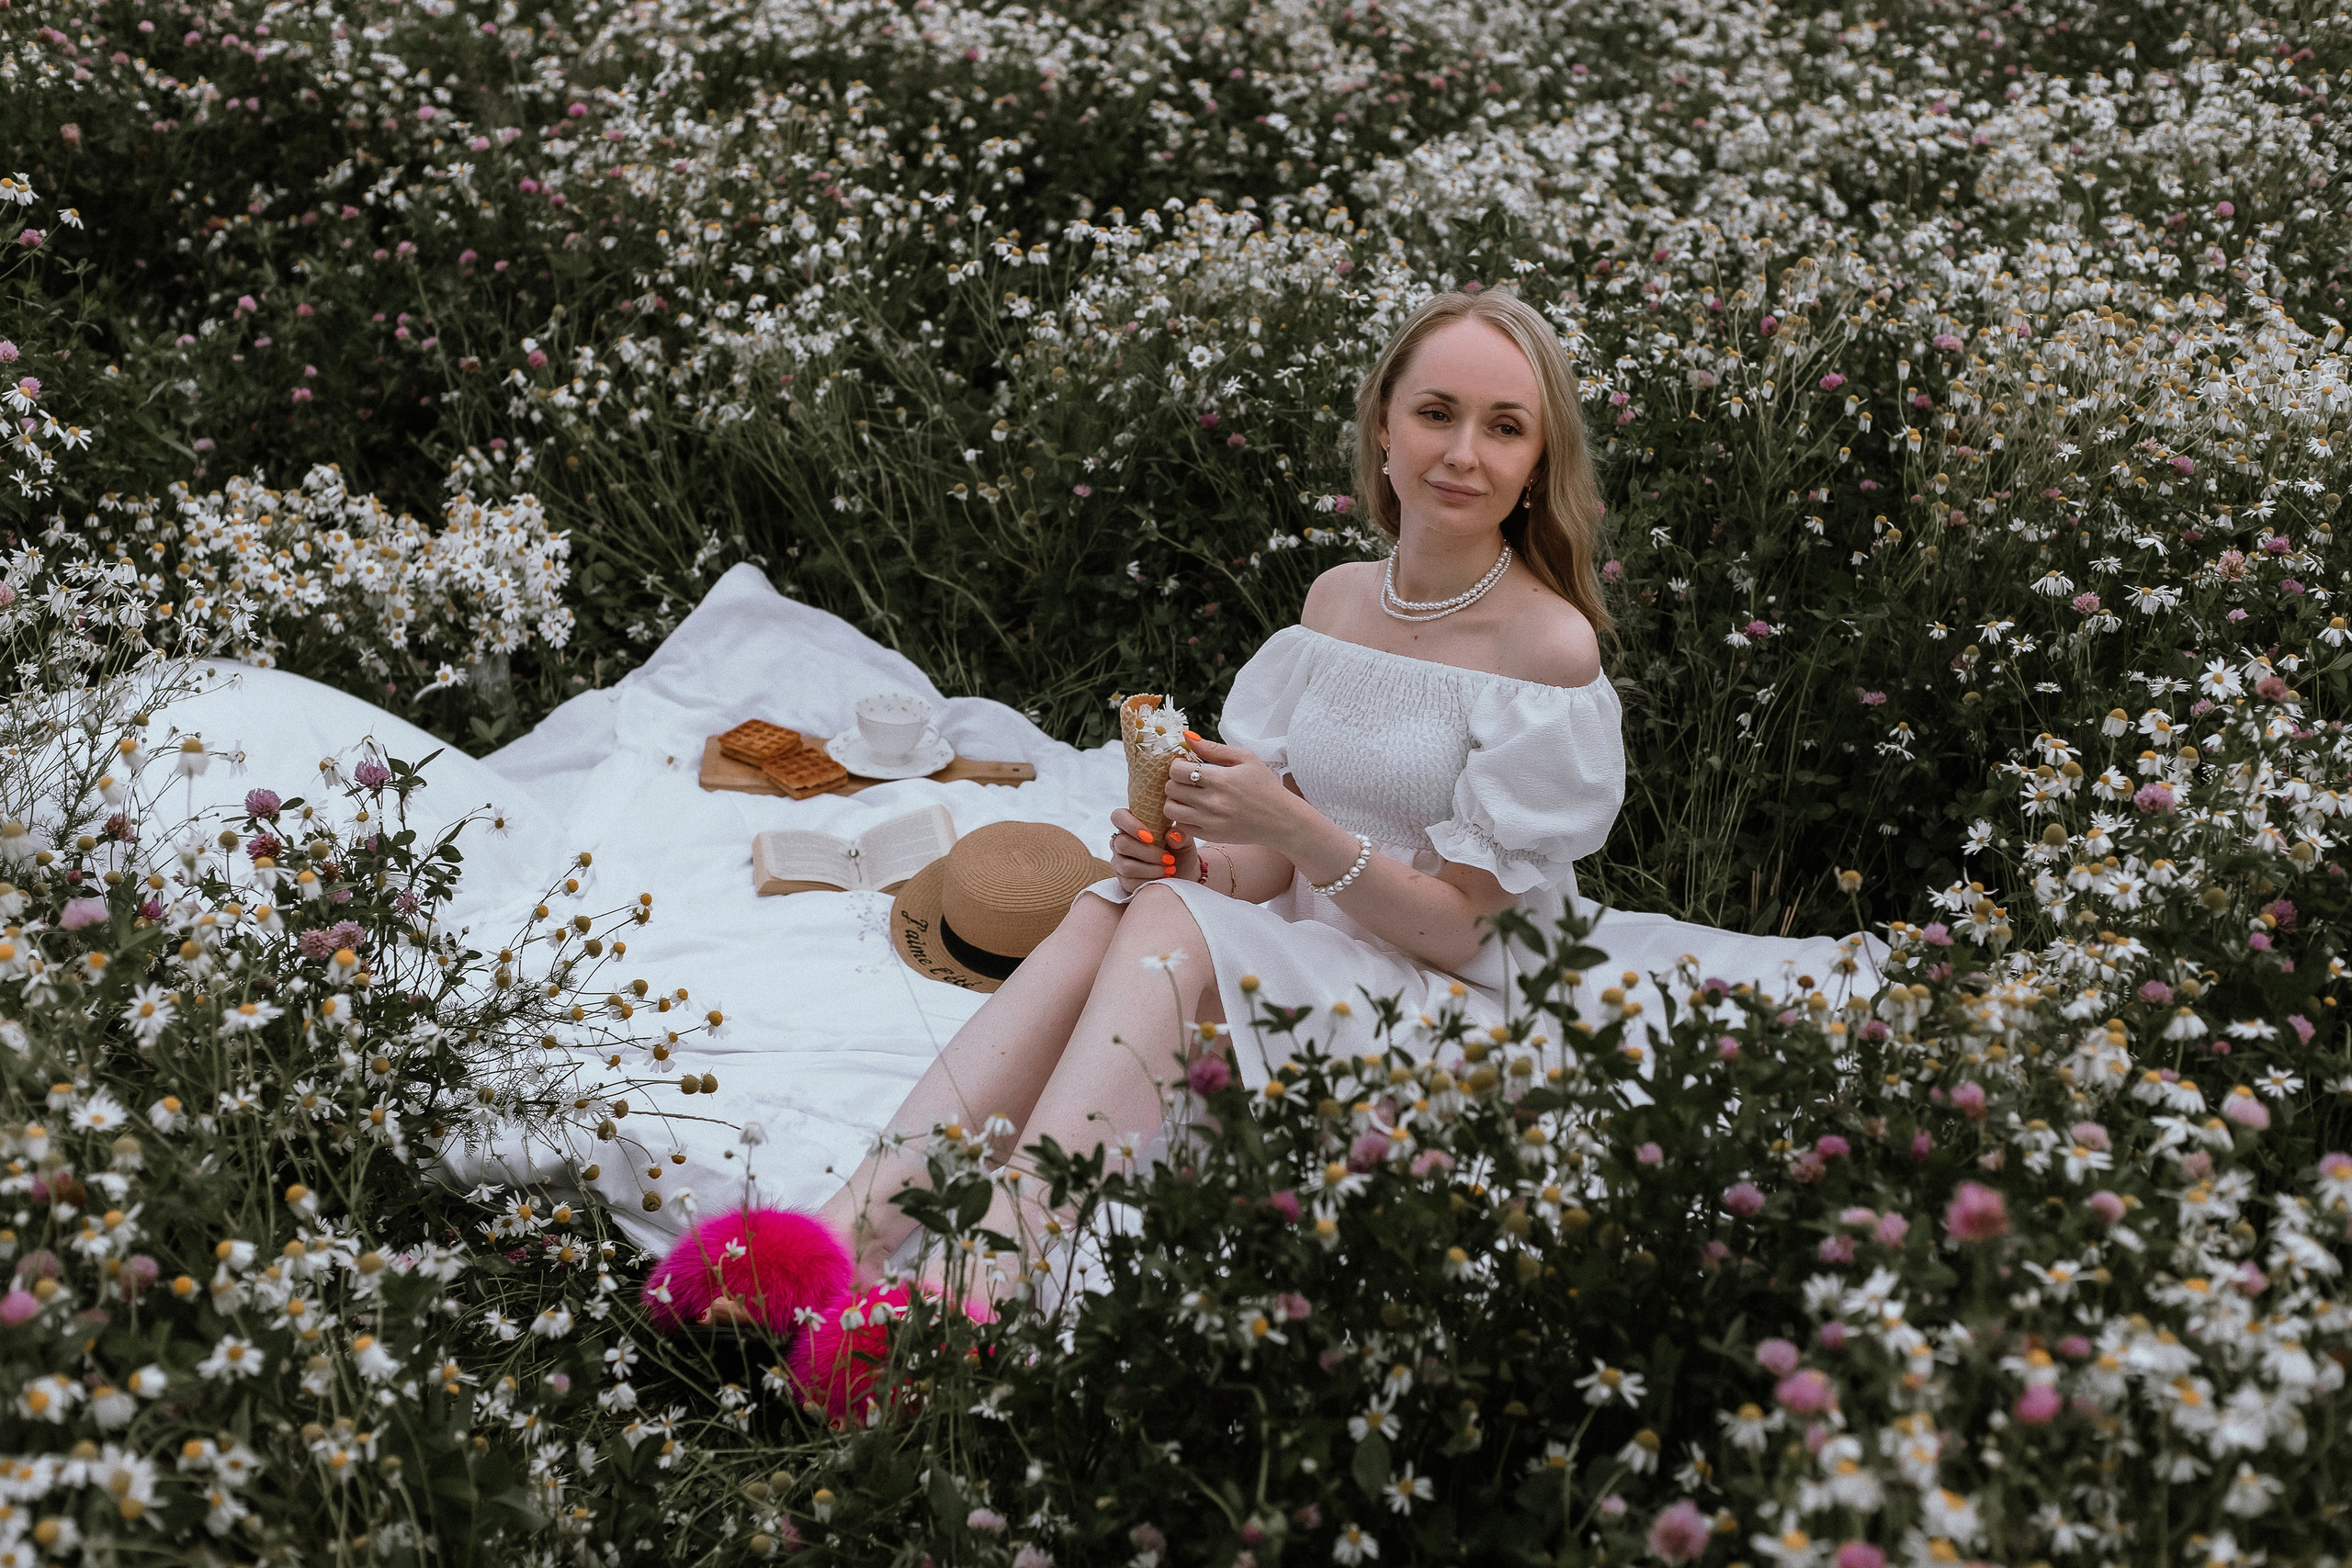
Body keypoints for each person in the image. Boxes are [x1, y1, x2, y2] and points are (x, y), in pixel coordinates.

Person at [696, 286, 1625, 1321]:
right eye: (1436, 412)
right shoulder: (1338, 602)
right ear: (1383, 423)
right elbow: (1267, 867)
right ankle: (844, 1230)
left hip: (1453, 1001)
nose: (1463, 453)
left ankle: (984, 1285)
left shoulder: (1543, 648)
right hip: (1319, 940)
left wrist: (1286, 827)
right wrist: (1206, 864)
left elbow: (1461, 935)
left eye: (1505, 428)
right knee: (1120, 900)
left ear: (1539, 461)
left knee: (1173, 921)